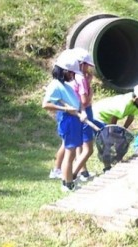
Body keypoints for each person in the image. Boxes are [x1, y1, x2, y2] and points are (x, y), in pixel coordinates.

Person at [42, 50, 87, 192]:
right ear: (65, 71)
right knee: (70, 153)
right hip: (68, 120)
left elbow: (78, 103)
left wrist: (82, 111)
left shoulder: (66, 86)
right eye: (72, 73)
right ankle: (67, 184)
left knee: (72, 153)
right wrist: (66, 109)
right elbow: (46, 104)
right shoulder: (55, 85)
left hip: (75, 119)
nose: (73, 76)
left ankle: (67, 181)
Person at [50, 48, 96, 181]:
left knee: (69, 143)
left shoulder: (69, 78)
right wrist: (90, 87)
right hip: (81, 112)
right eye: (87, 65)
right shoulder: (80, 78)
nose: (88, 68)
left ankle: (60, 170)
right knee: (85, 148)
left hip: (69, 112)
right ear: (80, 64)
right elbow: (84, 101)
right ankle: (73, 175)